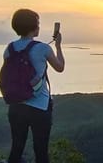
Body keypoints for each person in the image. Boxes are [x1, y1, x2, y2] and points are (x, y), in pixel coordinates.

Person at [5, 9, 65, 163]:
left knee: (16, 149)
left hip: (16, 105)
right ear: (33, 27)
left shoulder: (9, 49)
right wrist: (58, 46)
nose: (39, 27)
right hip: (40, 106)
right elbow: (60, 68)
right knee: (41, 151)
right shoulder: (43, 48)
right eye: (38, 24)